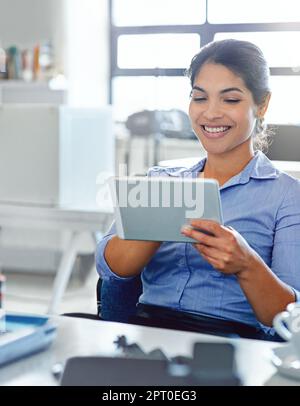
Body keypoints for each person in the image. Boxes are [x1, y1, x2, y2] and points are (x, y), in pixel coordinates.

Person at [96, 39, 300, 340]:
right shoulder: (162, 179)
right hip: (148, 337)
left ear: (262, 104)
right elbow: (110, 273)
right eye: (200, 98)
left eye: (230, 100)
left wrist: (246, 265)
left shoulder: (286, 195)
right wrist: (149, 229)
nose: (211, 113)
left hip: (231, 345)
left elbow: (291, 319)